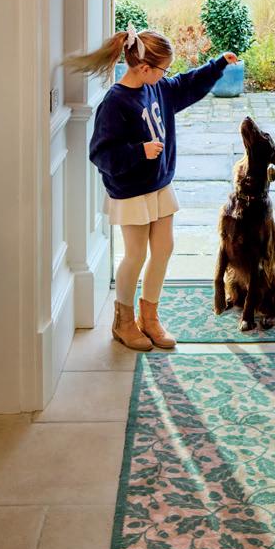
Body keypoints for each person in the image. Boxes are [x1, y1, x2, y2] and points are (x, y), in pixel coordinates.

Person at [65, 22, 238, 351]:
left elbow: (186, 84)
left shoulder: (157, 88)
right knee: (135, 255)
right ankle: (123, 322)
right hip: (131, 191)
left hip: (159, 184)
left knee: (164, 249)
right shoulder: (115, 102)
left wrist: (217, 65)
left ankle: (149, 317)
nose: (166, 75)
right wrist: (139, 152)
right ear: (144, 68)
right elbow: (100, 153)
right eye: (163, 69)